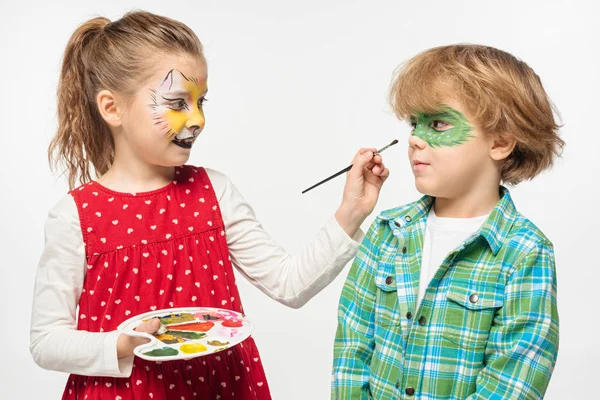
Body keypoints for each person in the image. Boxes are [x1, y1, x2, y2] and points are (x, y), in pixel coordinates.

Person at [30, 10, 390, 400]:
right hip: (125, 391)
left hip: (221, 387)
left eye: (200, 101)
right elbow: (46, 340)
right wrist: (118, 346)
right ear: (112, 108)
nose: (197, 119)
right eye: (177, 102)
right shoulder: (75, 216)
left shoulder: (212, 191)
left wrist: (352, 211)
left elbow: (289, 285)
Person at [331, 44, 562, 399]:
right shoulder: (387, 233)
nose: (414, 139)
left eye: (438, 123)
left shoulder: (525, 253)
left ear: (500, 142)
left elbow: (513, 383)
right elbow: (352, 351)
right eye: (415, 123)